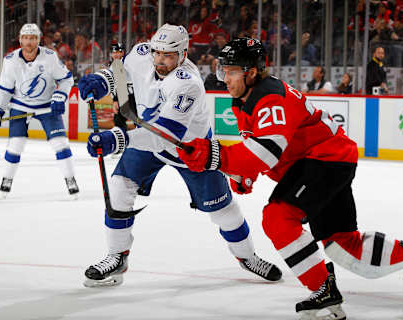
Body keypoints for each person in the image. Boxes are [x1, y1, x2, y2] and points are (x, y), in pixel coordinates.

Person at [176, 38, 403, 320]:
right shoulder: (243, 100)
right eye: (223, 71)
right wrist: (245, 173)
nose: (225, 78)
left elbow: (265, 152)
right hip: (328, 159)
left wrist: (215, 157)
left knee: (278, 218)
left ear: (251, 72)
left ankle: (323, 291)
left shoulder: (269, 97)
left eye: (231, 71)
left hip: (323, 159)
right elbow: (257, 147)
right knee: (342, 245)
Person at [77, 24, 282, 287]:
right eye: (157, 53)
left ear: (183, 54)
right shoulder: (142, 53)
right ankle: (117, 256)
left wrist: (115, 139)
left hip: (190, 149)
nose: (160, 60)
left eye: (168, 56)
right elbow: (120, 72)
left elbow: (164, 135)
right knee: (118, 188)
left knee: (224, 212)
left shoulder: (188, 84)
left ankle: (247, 257)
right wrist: (102, 78)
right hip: (147, 141)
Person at [0, 23, 79, 198]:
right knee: (16, 144)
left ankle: (70, 179)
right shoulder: (10, 60)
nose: (29, 42)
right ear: (20, 40)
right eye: (26, 38)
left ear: (39, 40)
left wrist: (60, 96)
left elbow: (67, 79)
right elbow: (5, 89)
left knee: (60, 143)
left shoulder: (50, 57)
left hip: (46, 106)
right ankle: (7, 179)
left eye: (33, 38)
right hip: (20, 106)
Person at [109, 42, 128, 132]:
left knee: (119, 121)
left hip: (127, 96)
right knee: (119, 121)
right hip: (123, 96)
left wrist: (115, 100)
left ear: (123, 53)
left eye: (118, 52)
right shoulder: (113, 65)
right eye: (114, 52)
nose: (115, 54)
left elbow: (121, 84)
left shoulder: (124, 63)